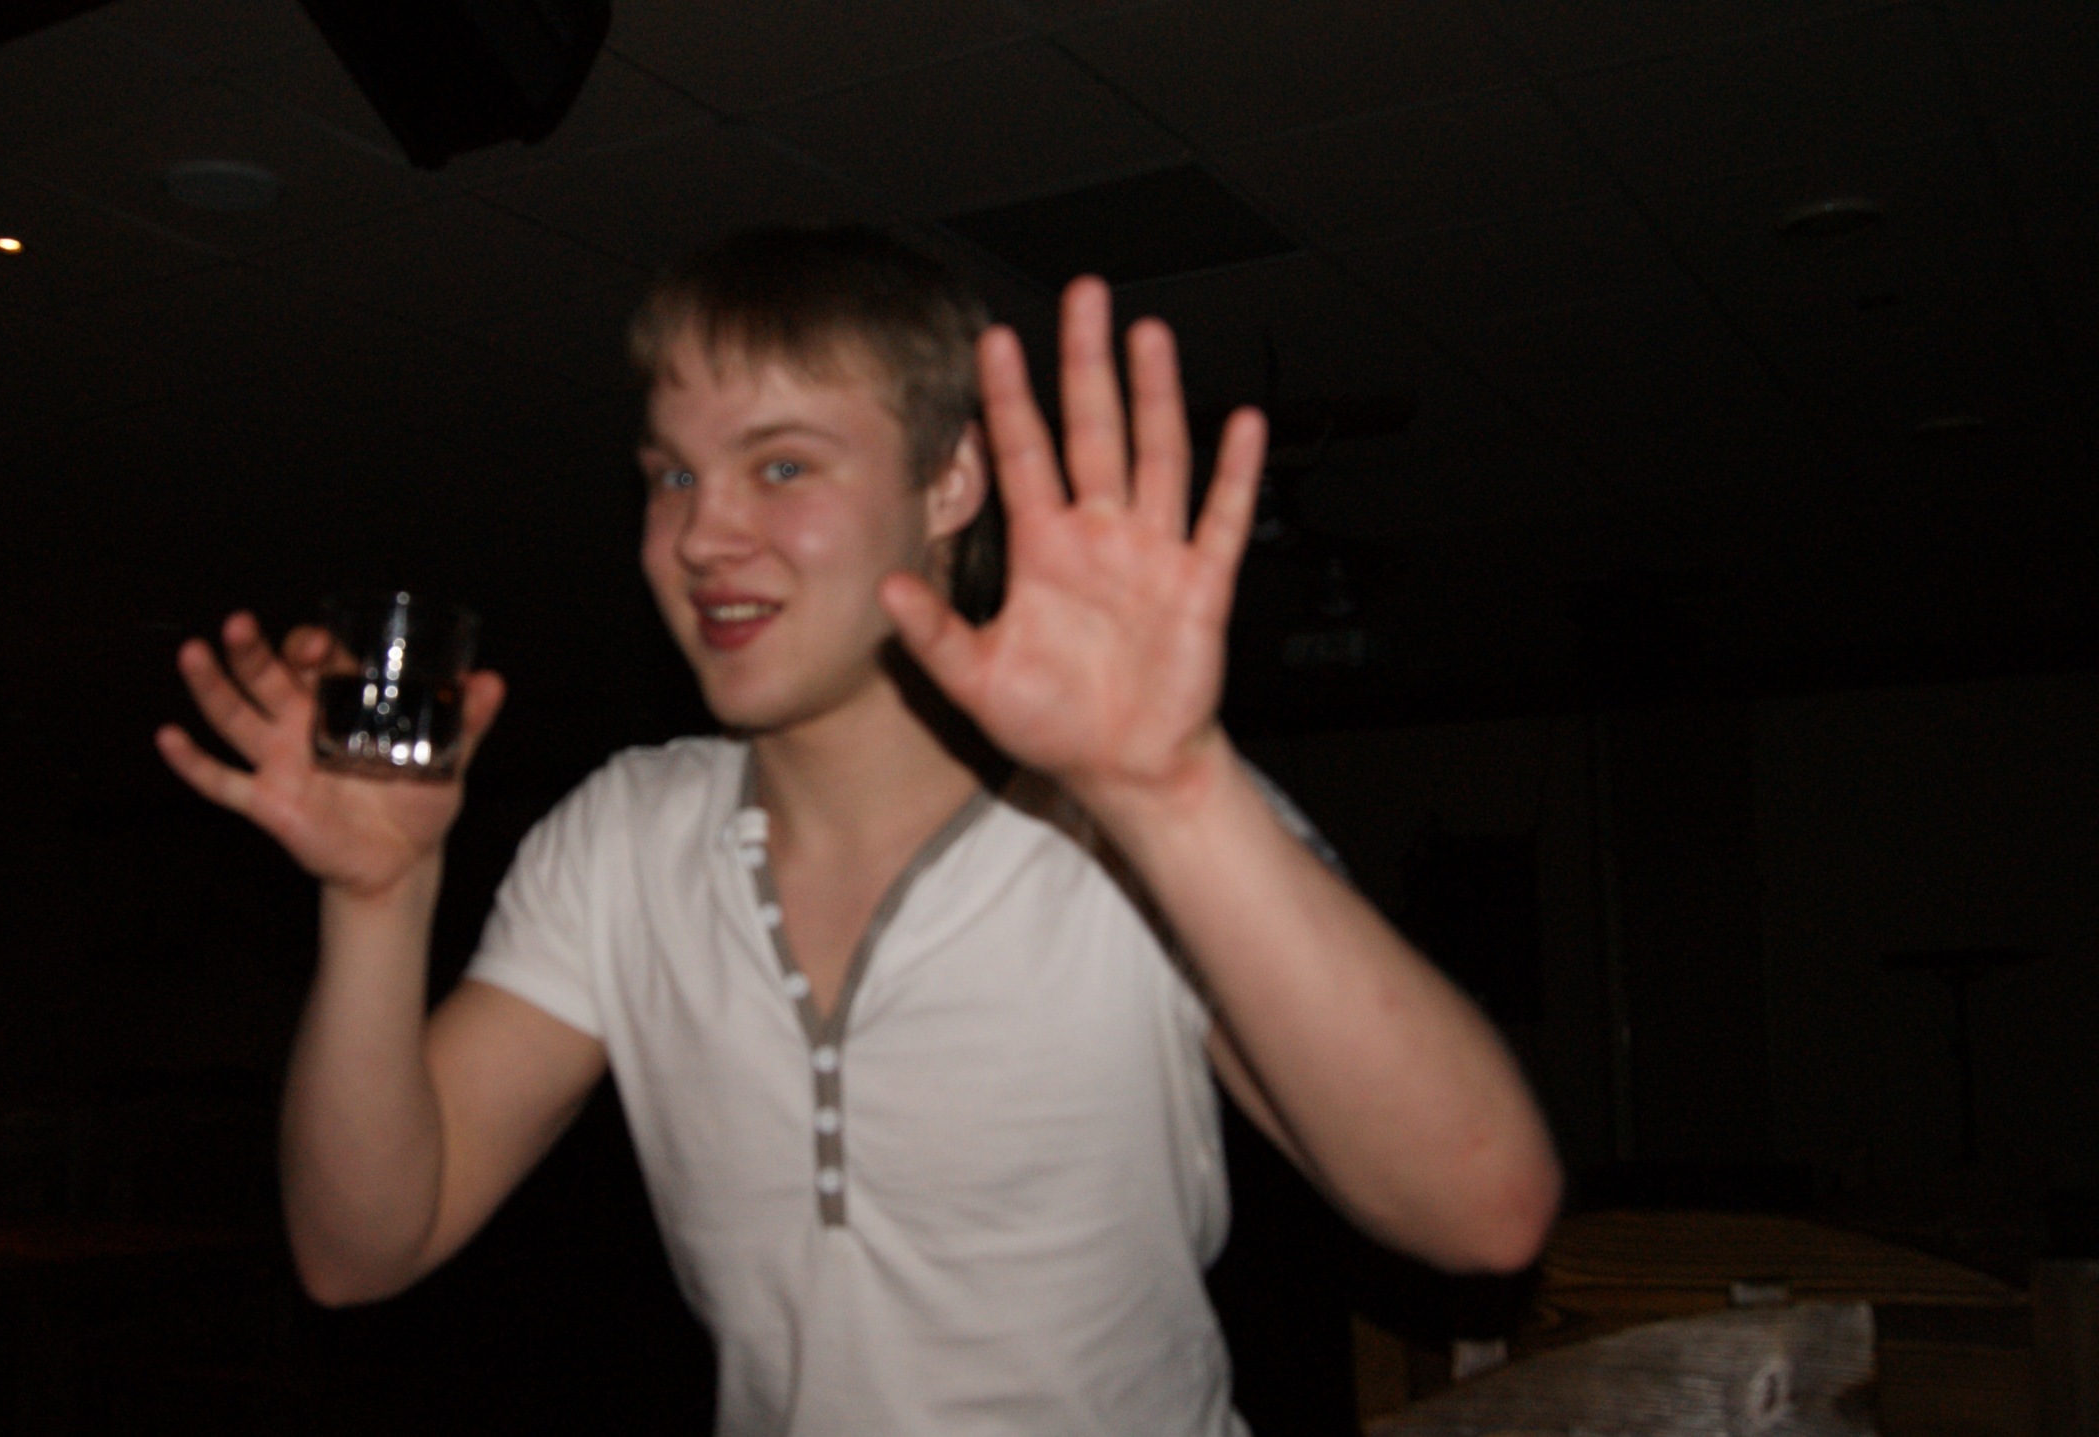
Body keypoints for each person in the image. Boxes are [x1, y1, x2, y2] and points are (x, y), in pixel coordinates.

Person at [154, 227, 1560, 1435]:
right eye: (671, 475)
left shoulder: (1130, 819)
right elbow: (360, 1248)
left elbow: (1484, 1212)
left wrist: (1174, 791)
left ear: (947, 486)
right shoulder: (624, 840)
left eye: (780, 467)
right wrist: (378, 900)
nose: (701, 535)